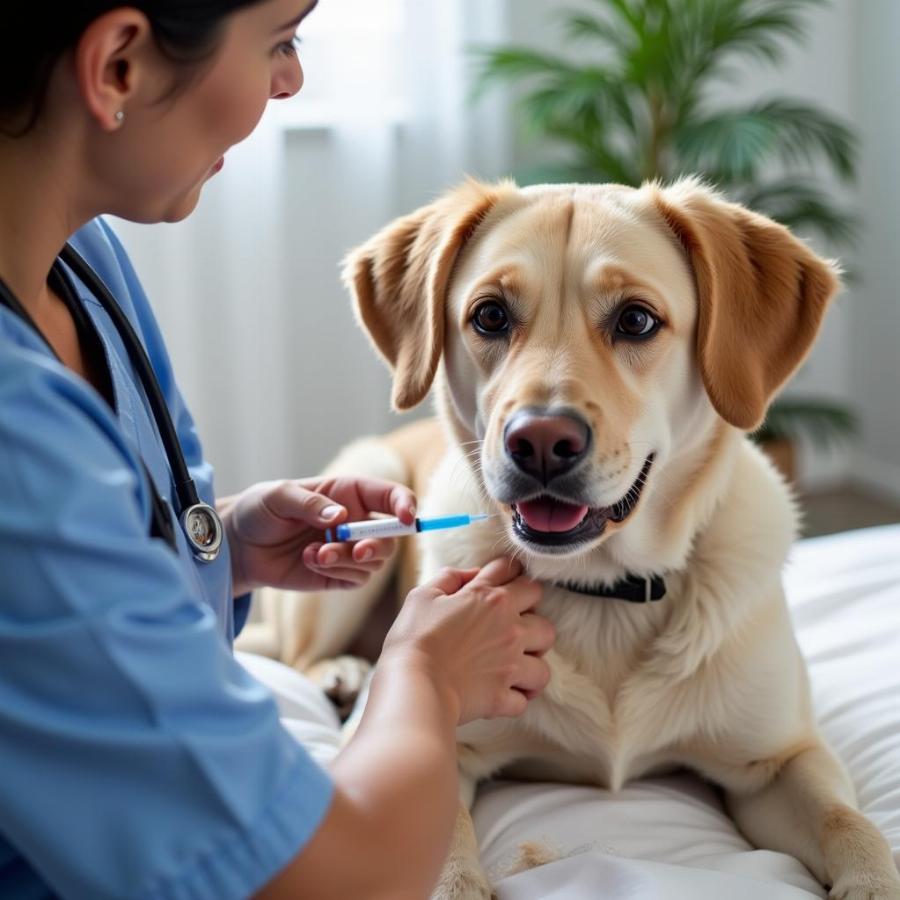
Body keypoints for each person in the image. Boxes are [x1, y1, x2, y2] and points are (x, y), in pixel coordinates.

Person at [0, 2, 556, 899]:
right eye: (280, 40)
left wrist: (220, 546)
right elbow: (343, 881)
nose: (291, 79)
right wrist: (423, 677)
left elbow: (53, 604)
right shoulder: (15, 446)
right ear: (118, 67)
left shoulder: (81, 262)